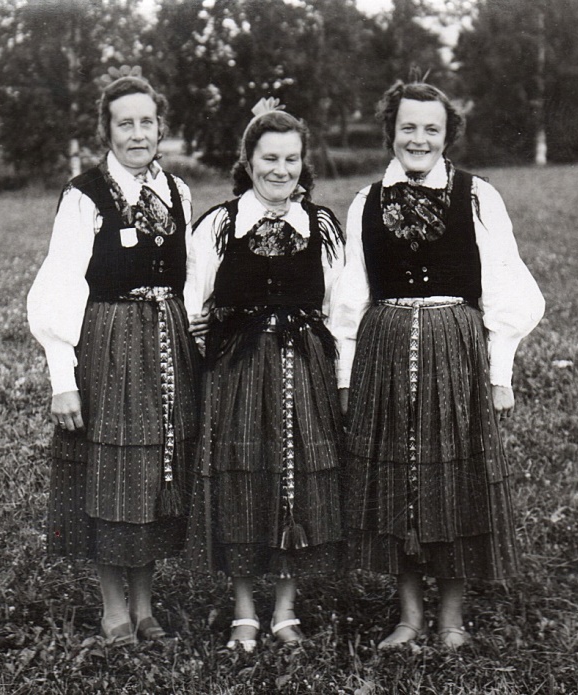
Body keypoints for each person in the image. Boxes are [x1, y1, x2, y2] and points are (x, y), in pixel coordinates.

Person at [336, 81, 544, 650]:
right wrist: (346, 377)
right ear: (391, 132)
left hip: (455, 345)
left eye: (432, 128)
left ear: (448, 134)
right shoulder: (365, 202)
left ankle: (450, 619)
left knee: (451, 476)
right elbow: (350, 296)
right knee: (398, 477)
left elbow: (508, 285)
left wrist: (499, 372)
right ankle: (408, 617)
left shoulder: (478, 196)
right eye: (408, 127)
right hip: (384, 343)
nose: (419, 138)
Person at [27, 72, 199, 646]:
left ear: (160, 128)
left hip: (168, 342)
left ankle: (146, 607)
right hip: (108, 341)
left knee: (153, 473)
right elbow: (59, 285)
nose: (136, 133)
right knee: (113, 473)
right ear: (108, 131)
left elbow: (191, 277)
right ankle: (112, 609)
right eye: (124, 123)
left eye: (146, 121)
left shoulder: (178, 192)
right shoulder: (86, 195)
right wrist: (62, 378)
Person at [184, 100, 348, 651]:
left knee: (294, 479)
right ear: (248, 161)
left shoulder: (321, 226)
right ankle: (244, 610)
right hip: (239, 373)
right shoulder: (220, 224)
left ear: (304, 164)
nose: (281, 170)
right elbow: (190, 304)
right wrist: (217, 350)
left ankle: (285, 609)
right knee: (243, 478)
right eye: (269, 158)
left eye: (292, 159)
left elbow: (339, 306)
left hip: (304, 370)